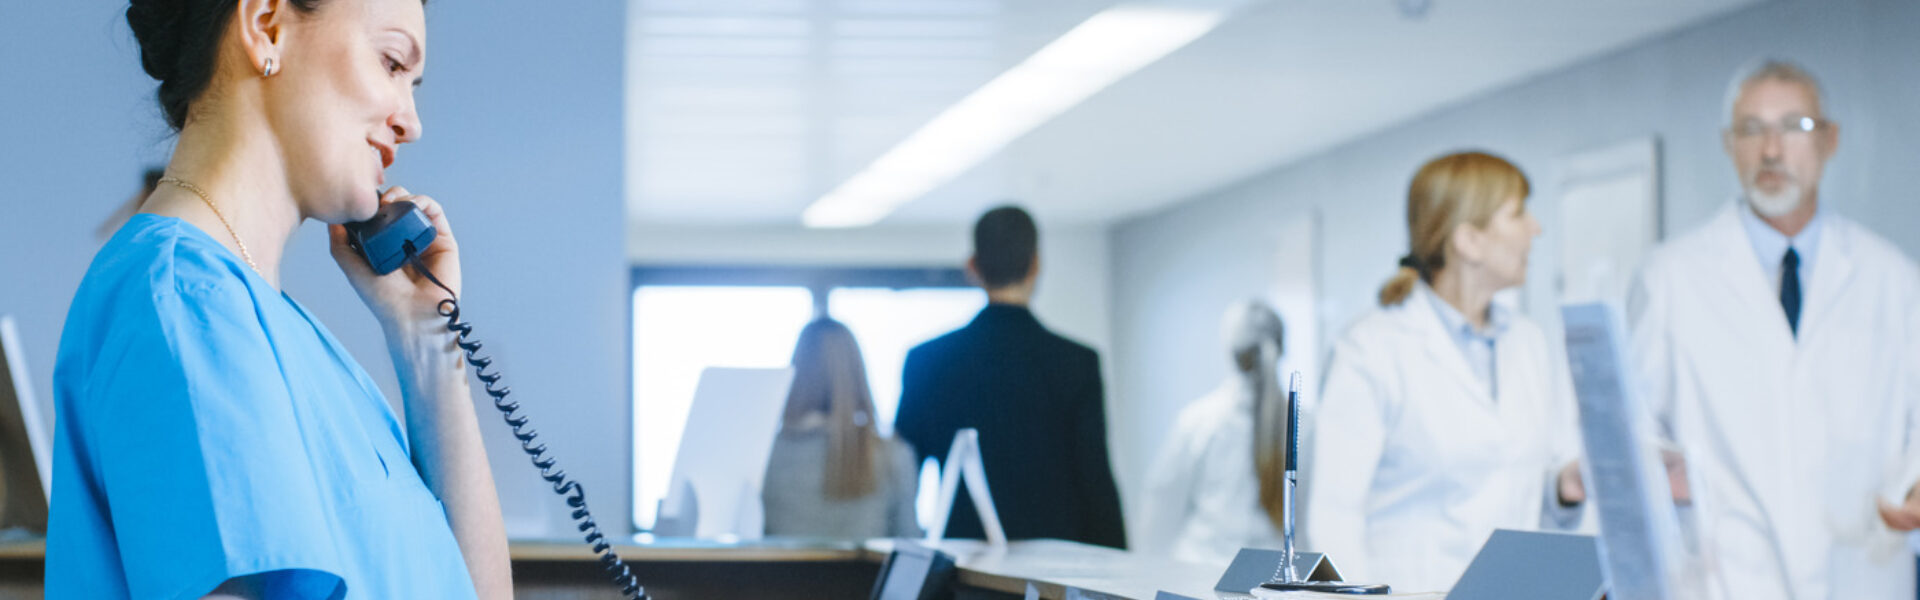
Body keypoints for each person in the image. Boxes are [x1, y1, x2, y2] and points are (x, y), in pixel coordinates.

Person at [47, 1, 512, 598]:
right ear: (265, 26)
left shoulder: (277, 331)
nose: (412, 121)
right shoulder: (183, 304)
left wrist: (426, 340)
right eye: (392, 62)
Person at [1628, 58, 1920, 599]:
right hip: (1725, 577)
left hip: (1860, 570)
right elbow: (1633, 434)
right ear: (1727, 144)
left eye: (1795, 127)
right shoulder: (1670, 278)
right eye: (1751, 129)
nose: (1771, 150)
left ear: (1830, 140)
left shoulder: (1895, 279)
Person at [1303, 151, 1582, 592]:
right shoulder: (1371, 350)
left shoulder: (1527, 342)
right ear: (1468, 240)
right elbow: (1331, 517)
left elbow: (1511, 484)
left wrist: (1564, 487)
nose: (1537, 229)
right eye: (1518, 213)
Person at [896, 205, 1128, 549]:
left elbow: (902, 474)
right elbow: (1095, 484)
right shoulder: (1077, 362)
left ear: (972, 266)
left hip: (962, 565)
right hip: (1055, 572)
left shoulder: (927, 360)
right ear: (1036, 264)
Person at [1140, 301, 1290, 564]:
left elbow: (1159, 513)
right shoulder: (1305, 427)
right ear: (1281, 348)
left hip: (1201, 574)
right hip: (1272, 580)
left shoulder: (1198, 422)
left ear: (1230, 351)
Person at [762, 318, 921, 539]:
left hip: (780, 574)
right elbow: (909, 542)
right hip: (869, 575)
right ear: (856, 372)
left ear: (796, 371)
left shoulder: (764, 456)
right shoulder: (891, 454)